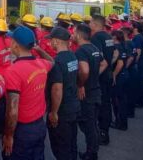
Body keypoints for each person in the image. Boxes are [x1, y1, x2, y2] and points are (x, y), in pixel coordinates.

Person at [2, 26, 53, 160]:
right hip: (39, 126)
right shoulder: (42, 64)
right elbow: (52, 62)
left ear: (15, 45)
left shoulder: (13, 71)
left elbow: (13, 110)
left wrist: (9, 136)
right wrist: (38, 49)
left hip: (22, 131)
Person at [45, 27, 80, 160]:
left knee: (61, 148)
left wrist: (54, 112)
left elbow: (57, 89)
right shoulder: (72, 56)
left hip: (62, 111)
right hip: (73, 106)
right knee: (71, 144)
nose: (49, 43)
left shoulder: (58, 62)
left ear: (56, 41)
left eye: (51, 40)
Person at [74, 24, 108, 160]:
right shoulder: (94, 48)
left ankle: (91, 153)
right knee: (91, 123)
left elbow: (85, 70)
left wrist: (81, 84)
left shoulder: (81, 51)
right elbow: (104, 63)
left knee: (88, 124)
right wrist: (95, 75)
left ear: (79, 35)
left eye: (75, 33)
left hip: (87, 93)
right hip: (96, 91)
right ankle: (93, 148)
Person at [89, 15, 115, 146]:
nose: (89, 25)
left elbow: (98, 58)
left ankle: (102, 134)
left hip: (101, 76)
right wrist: (110, 65)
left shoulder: (96, 38)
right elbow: (114, 53)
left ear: (95, 24)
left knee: (100, 106)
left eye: (90, 22)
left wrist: (94, 75)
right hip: (108, 74)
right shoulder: (108, 36)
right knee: (106, 104)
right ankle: (105, 131)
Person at [110, 30, 129, 131]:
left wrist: (114, 74)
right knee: (122, 100)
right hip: (124, 75)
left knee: (117, 101)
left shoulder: (117, 47)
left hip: (119, 77)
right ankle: (122, 122)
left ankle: (120, 123)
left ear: (115, 38)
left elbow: (120, 63)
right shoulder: (124, 46)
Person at [121, 27, 137, 118]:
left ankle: (129, 111)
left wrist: (125, 67)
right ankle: (130, 110)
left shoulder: (127, 43)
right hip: (133, 69)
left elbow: (130, 58)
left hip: (129, 70)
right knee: (130, 91)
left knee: (127, 92)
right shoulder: (131, 42)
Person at [132, 22, 143, 108]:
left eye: (132, 26)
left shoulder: (137, 38)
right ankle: (140, 100)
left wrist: (136, 61)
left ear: (136, 29)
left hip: (139, 63)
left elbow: (138, 51)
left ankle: (138, 101)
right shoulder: (142, 37)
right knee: (141, 82)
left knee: (137, 83)